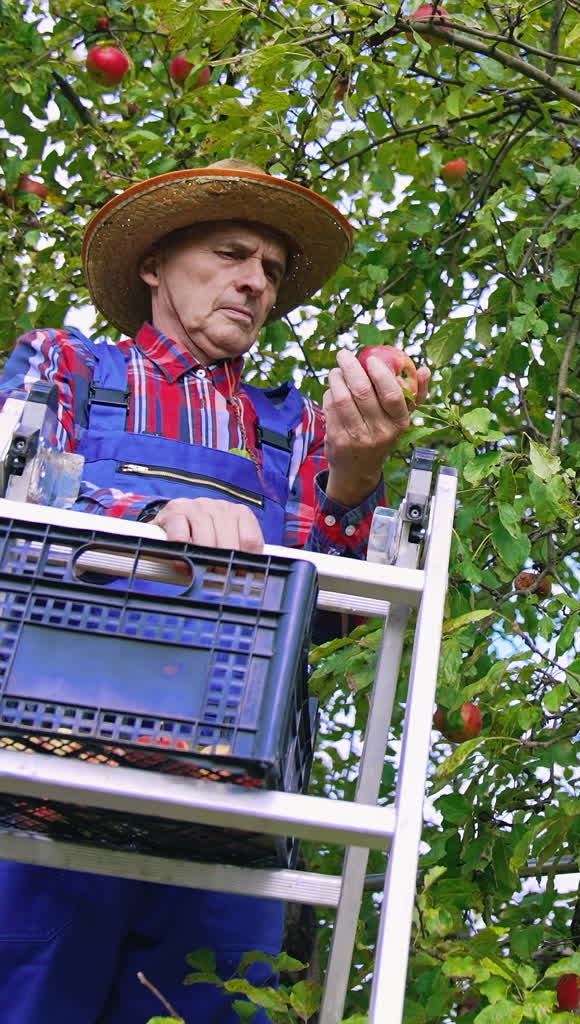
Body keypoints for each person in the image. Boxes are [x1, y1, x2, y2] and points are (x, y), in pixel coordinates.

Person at [0, 159, 430, 1024]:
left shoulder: (300, 424)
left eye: (270, 270)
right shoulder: (73, 366)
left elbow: (339, 611)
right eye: (232, 254)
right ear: (155, 266)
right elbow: (16, 495)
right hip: (47, 774)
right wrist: (156, 516)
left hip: (231, 797)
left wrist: (354, 474)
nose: (255, 282)